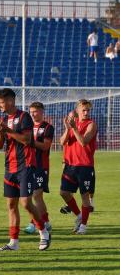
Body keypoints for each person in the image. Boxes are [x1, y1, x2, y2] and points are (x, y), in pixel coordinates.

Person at [0, 88, 51, 251]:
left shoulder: (24, 117)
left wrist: (8, 131)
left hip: (25, 165)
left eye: (1, 102)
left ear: (11, 101)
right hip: (9, 166)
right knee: (11, 205)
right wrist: (0, 132)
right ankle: (14, 242)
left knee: (26, 203)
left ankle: (43, 231)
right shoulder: (4, 119)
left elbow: (27, 140)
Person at [59, 100, 97, 235]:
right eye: (84, 110)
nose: (86, 113)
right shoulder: (72, 124)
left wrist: (74, 128)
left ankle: (83, 227)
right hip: (70, 165)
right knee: (63, 193)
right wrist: (67, 128)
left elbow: (83, 142)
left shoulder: (91, 124)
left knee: (84, 196)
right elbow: (62, 142)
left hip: (85, 166)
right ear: (78, 110)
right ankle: (80, 216)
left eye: (88, 110)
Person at [23, 102, 54, 235]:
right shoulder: (27, 127)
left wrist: (30, 141)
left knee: (37, 195)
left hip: (41, 166)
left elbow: (46, 146)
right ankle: (45, 222)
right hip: (28, 165)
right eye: (31, 111)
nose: (33, 114)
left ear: (42, 112)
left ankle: (35, 223)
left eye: (35, 111)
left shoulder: (47, 127)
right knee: (30, 196)